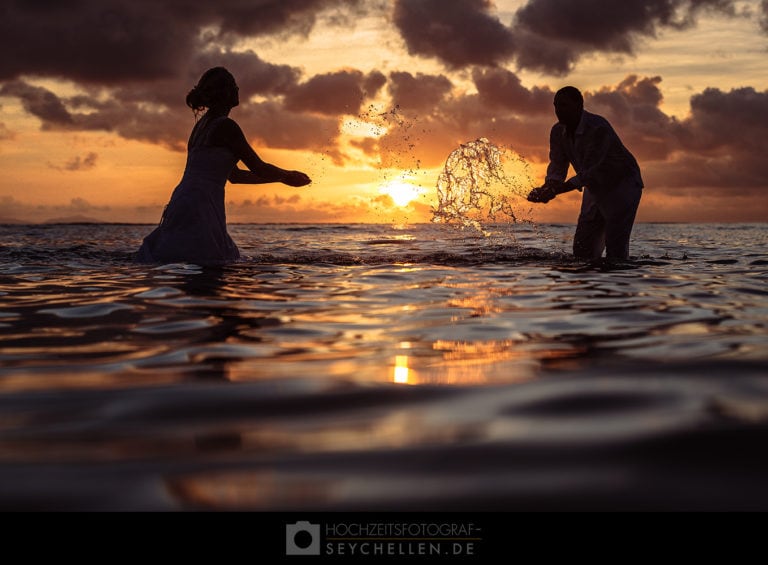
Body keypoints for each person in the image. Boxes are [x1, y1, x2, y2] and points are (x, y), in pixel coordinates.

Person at [137, 67, 311, 264]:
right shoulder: (227, 127)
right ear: (225, 92)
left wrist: (280, 179)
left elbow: (234, 176)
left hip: (183, 198)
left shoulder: (200, 126)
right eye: (233, 85)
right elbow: (258, 167)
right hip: (202, 202)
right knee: (210, 264)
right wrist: (287, 176)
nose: (238, 88)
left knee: (190, 261)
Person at [527, 86, 643, 260]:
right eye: (556, 106)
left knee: (616, 250)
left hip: (623, 185)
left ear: (579, 105)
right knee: (582, 250)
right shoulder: (557, 131)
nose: (559, 111)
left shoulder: (598, 128)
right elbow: (557, 166)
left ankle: (617, 282)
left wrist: (555, 191)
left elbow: (591, 172)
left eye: (564, 105)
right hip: (594, 187)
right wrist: (548, 187)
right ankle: (590, 285)